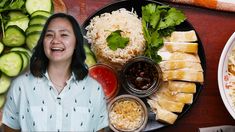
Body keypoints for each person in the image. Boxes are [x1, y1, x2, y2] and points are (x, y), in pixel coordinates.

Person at [2, 13, 108, 132]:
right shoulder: (21, 86)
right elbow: (9, 128)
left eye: (64, 35)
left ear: (76, 42)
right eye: (49, 35)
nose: (56, 40)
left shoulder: (94, 89)